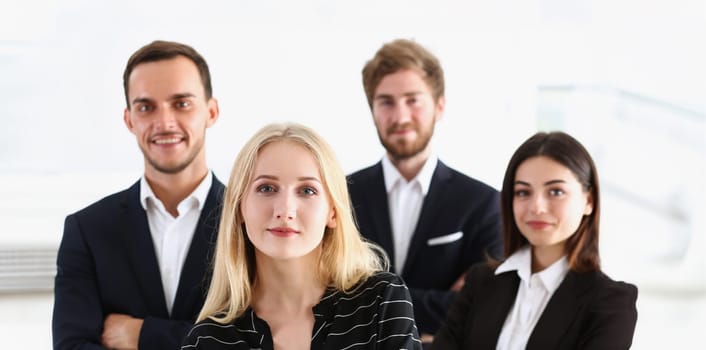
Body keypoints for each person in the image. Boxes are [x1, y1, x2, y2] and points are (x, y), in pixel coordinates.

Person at [181, 122, 422, 350]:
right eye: (266, 188)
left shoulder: (382, 302)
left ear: (333, 212)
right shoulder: (206, 340)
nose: (285, 211)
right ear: (239, 208)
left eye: (307, 190)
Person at [52, 40, 224, 350]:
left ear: (211, 112)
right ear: (129, 119)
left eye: (181, 103)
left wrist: (142, 335)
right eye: (146, 107)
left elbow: (261, 340)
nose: (164, 122)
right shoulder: (88, 230)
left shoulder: (249, 220)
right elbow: (71, 346)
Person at [347, 38, 503, 338]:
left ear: (439, 105)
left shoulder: (482, 203)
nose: (400, 116)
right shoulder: (340, 196)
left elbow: (485, 306)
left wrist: (366, 303)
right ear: (372, 110)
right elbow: (319, 295)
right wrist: (439, 307)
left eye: (413, 100)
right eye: (386, 102)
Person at [432, 131, 638, 349]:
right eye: (523, 192)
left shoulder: (611, 303)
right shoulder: (480, 282)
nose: (536, 207)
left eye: (556, 191)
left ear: (589, 201)